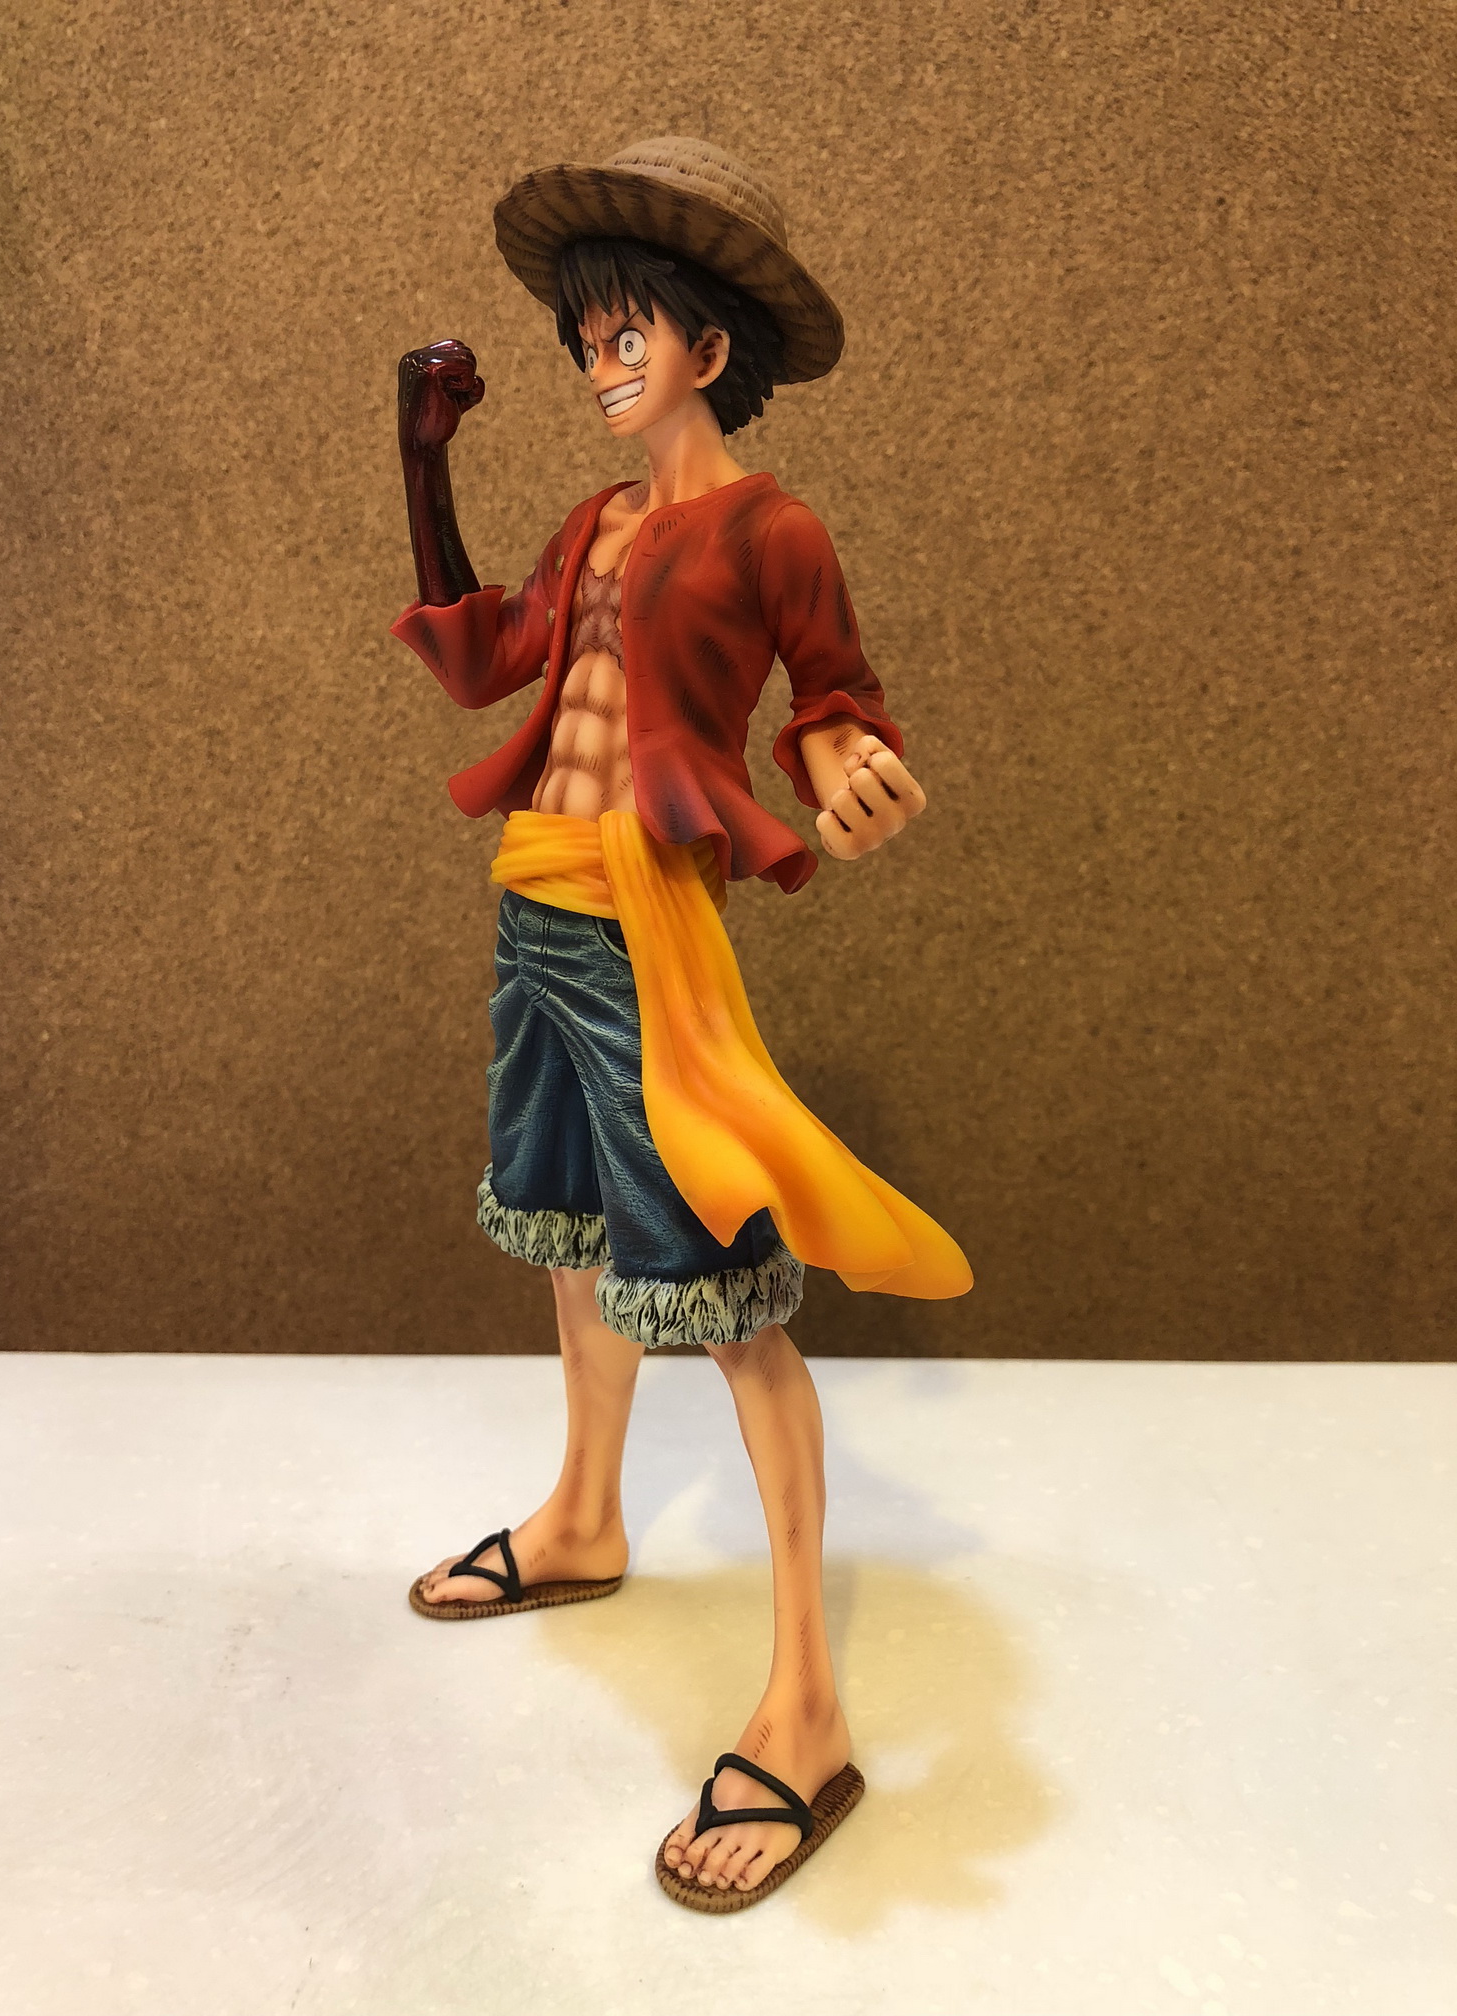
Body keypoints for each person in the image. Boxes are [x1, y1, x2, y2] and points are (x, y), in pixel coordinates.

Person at [390, 137, 972, 1912]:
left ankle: (807, 1707)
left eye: (625, 335)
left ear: (706, 348)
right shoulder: (596, 521)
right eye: (587, 341)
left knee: (722, 1282)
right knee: (572, 1234)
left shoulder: (772, 529)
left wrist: (848, 774)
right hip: (535, 904)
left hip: (648, 935)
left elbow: (835, 702)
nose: (600, 363)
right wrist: (425, 461)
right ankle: (585, 1513)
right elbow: (490, 658)